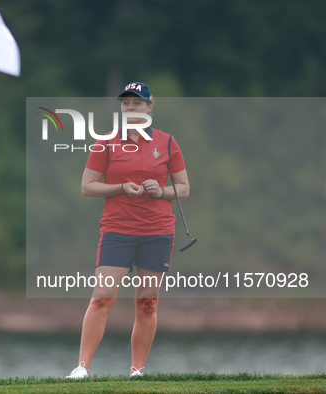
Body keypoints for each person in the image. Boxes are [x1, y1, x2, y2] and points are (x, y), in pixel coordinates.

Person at [66, 82, 190, 379]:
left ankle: (137, 371)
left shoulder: (168, 142)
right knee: (102, 297)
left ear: (150, 107)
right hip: (117, 231)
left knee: (147, 303)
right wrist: (121, 187)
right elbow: (87, 187)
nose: (130, 109)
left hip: (158, 231)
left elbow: (183, 189)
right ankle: (81, 368)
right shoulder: (105, 143)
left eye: (137, 104)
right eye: (125, 104)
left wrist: (160, 191)